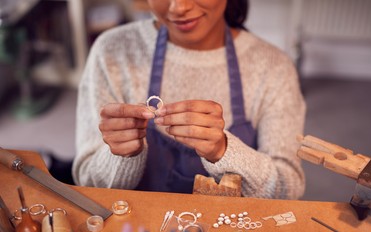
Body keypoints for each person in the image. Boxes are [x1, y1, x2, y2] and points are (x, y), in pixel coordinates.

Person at [72, 0, 306, 199]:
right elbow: (87, 182)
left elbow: (288, 187)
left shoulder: (273, 67)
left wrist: (223, 151)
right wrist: (121, 156)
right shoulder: (111, 51)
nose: (179, 7)